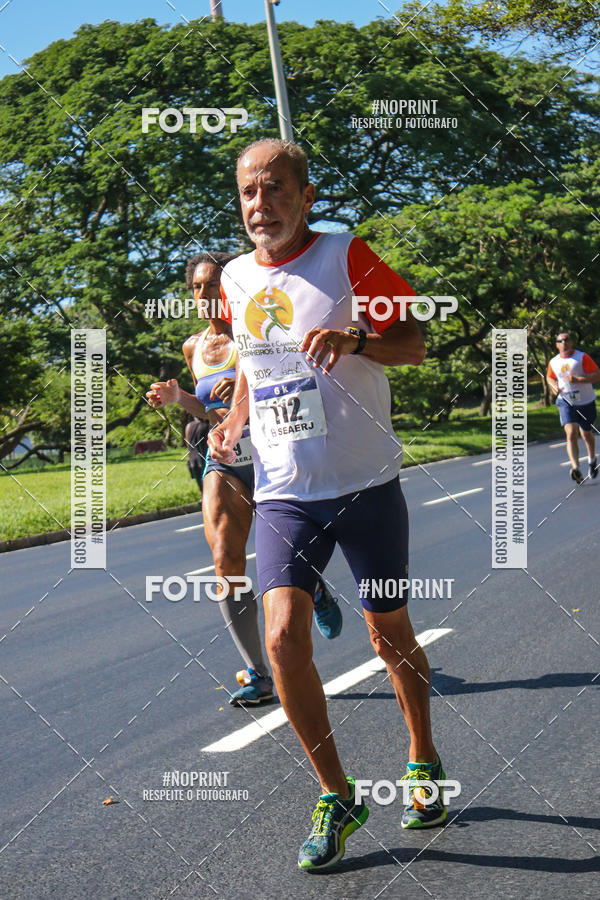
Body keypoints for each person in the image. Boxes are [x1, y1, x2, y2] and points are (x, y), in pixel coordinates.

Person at [209, 138, 447, 870]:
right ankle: (337, 794)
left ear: (306, 196)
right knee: (282, 638)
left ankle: (422, 759)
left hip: (366, 481)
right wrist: (236, 417)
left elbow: (414, 344)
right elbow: (255, 360)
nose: (261, 204)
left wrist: (358, 339)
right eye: (250, 191)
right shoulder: (235, 277)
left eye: (276, 189)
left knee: (388, 632)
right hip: (285, 491)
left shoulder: (349, 256)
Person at [147, 252, 342, 706]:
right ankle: (258, 672)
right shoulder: (193, 347)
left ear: (230, 288)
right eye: (197, 287)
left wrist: (244, 394)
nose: (205, 295)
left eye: (214, 284)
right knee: (225, 562)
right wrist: (180, 398)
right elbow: (209, 408)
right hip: (225, 458)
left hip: (273, 453)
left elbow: (287, 383)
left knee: (288, 556)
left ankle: (314, 584)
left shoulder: (255, 333)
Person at [547, 332, 599, 483]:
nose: (563, 342)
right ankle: (576, 468)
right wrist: (553, 386)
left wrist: (579, 380)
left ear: (571, 342)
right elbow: (549, 377)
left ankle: (592, 459)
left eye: (566, 340)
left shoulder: (582, 357)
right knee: (570, 433)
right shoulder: (554, 362)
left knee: (586, 434)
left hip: (586, 401)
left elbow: (597, 375)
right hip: (566, 402)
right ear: (556, 344)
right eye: (560, 341)